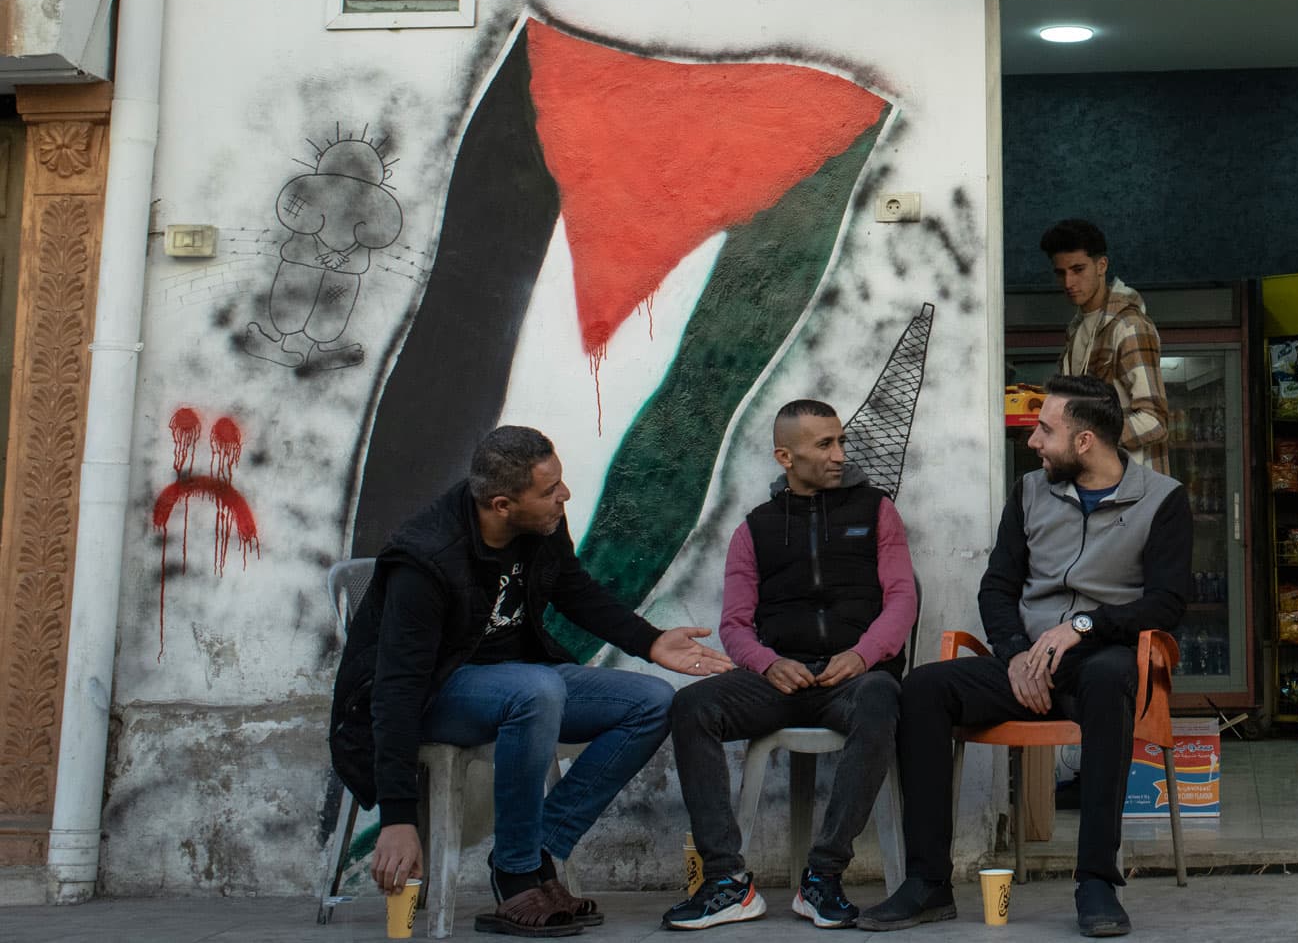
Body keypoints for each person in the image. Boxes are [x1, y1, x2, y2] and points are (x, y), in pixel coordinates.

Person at [329, 426, 735, 938]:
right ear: (502, 504)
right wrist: (397, 816)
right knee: (534, 690)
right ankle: (516, 872)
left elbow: (572, 587)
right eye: (549, 490)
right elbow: (396, 688)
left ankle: (538, 846)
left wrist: (649, 642)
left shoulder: (541, 526)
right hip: (437, 692)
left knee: (652, 700)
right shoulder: (425, 559)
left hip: (518, 685)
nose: (564, 496)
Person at [861, 375, 1188, 938]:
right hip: (1025, 663)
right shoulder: (1030, 491)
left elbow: (1167, 602)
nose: (1034, 441)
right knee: (922, 688)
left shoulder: (1162, 499)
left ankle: (1096, 882)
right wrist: (1013, 653)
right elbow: (997, 587)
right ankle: (928, 882)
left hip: (1100, 662)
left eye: (1046, 429)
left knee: (1111, 676)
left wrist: (1084, 627)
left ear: (1084, 442)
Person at [665, 399, 918, 931]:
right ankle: (726, 883)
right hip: (781, 680)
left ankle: (822, 878)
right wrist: (766, 663)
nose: (839, 454)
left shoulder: (876, 510)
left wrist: (863, 655)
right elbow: (734, 623)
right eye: (824, 445)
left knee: (881, 696)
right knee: (692, 706)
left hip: (853, 679)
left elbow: (901, 600)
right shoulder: (754, 529)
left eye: (840, 441)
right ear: (785, 456)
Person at [1042, 219, 1171, 471]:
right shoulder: (1076, 329)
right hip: (1093, 484)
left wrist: (1085, 438)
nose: (1068, 283)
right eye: (1061, 273)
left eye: (1078, 269)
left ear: (1102, 265)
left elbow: (1155, 421)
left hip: (1132, 491)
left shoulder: (1129, 326)